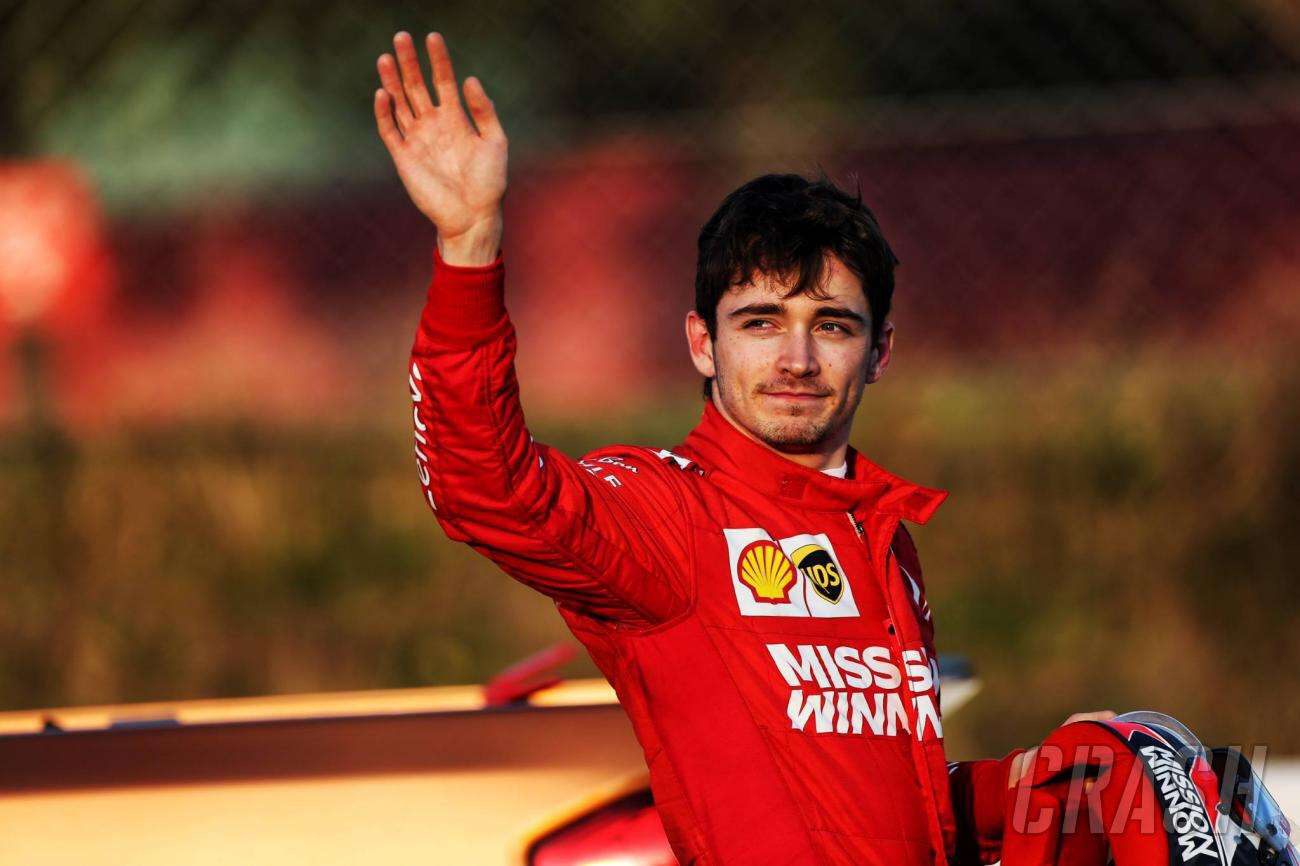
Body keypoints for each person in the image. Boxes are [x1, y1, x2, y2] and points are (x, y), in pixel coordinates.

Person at [374, 30, 1112, 866]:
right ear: (702, 343)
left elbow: (885, 815)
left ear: (880, 350)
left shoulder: (880, 535)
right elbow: (487, 489)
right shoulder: (668, 514)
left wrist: (1050, 786)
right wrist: (470, 244)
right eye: (760, 323)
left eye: (831, 326)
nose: (796, 360)